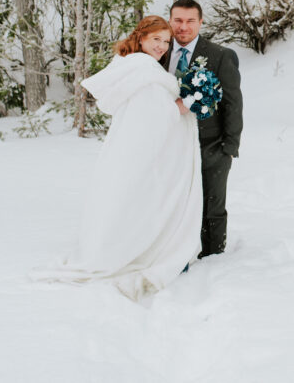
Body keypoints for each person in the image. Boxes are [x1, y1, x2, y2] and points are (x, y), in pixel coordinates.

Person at [41, 16, 202, 300]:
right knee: (140, 204)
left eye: (166, 42)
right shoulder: (144, 71)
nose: (162, 47)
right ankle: (137, 250)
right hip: (141, 153)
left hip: (127, 150)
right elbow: (153, 118)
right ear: (141, 38)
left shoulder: (130, 66)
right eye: (156, 40)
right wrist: (185, 104)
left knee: (125, 200)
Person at [165, 0, 242, 258]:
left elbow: (233, 102)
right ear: (170, 21)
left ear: (200, 22)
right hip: (169, 144)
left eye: (190, 21)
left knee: (212, 205)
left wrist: (229, 147)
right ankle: (174, 254)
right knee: (172, 203)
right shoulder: (157, 53)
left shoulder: (220, 56)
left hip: (210, 144)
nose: (183, 27)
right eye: (178, 20)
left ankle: (212, 259)